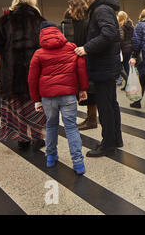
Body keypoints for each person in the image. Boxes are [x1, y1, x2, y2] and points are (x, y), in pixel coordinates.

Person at [0, 0, 46, 150]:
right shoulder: (40, 20)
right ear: (32, 2)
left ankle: (22, 138)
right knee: (36, 104)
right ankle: (38, 136)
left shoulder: (5, 19)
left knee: (17, 105)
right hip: (34, 70)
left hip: (11, 73)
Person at [28, 21, 88, 174]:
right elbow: (81, 68)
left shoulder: (39, 53)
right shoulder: (72, 47)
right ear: (58, 32)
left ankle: (51, 157)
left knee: (51, 125)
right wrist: (83, 89)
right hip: (68, 95)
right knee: (71, 127)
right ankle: (78, 163)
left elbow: (32, 79)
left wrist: (36, 100)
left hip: (48, 97)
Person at [75, 0, 123, 157]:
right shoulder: (104, 8)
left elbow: (109, 34)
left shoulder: (101, 9)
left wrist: (86, 48)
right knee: (111, 104)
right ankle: (115, 139)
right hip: (107, 65)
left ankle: (108, 144)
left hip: (103, 67)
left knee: (105, 106)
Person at [61, 0, 97, 131]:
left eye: (71, 8)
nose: (69, 11)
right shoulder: (79, 22)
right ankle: (90, 117)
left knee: (90, 89)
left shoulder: (86, 22)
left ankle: (92, 119)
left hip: (86, 59)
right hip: (81, 59)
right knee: (86, 88)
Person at [118, 11, 134, 90]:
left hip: (124, 48)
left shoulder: (122, 26)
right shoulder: (130, 25)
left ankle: (129, 84)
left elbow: (121, 38)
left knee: (125, 67)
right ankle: (129, 83)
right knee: (127, 66)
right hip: (130, 48)